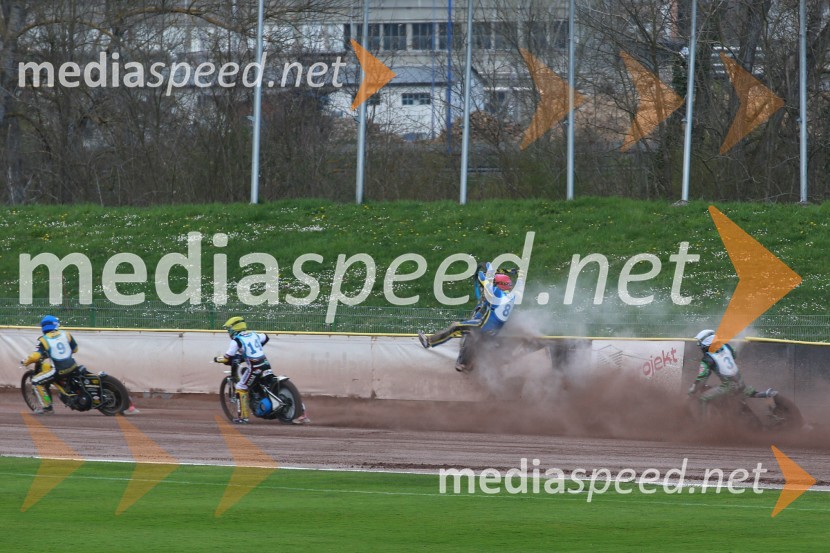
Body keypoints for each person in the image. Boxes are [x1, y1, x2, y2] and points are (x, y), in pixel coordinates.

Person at [418, 262, 523, 372]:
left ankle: (429, 342)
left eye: (495, 283)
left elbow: (483, 278)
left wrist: (488, 267)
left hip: (482, 327)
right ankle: (466, 365)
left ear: (499, 285)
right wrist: (520, 277)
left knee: (456, 327)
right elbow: (519, 287)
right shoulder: (512, 297)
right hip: (493, 332)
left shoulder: (496, 293)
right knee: (470, 337)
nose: (493, 285)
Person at [213, 316, 310, 424]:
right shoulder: (254, 335)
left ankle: (242, 418)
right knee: (270, 383)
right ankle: (302, 413)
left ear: (233, 329)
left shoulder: (236, 341)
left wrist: (217, 359)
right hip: (265, 365)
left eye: (229, 329)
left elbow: (227, 358)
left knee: (241, 387)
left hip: (254, 368)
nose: (228, 332)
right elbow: (265, 337)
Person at [687, 329, 777, 417]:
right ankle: (768, 394)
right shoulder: (727, 347)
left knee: (703, 398)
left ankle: (703, 427)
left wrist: (692, 392)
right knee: (748, 392)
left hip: (728, 387)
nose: (699, 345)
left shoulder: (707, 359)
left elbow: (702, 378)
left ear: (706, 343)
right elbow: (734, 354)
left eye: (700, 342)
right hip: (741, 383)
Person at [21, 315, 81, 415]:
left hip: (59, 370)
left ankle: (47, 408)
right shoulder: (66, 334)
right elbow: (75, 349)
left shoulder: (43, 340)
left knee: (36, 381)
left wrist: (25, 361)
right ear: (56, 325)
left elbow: (35, 357)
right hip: (73, 365)